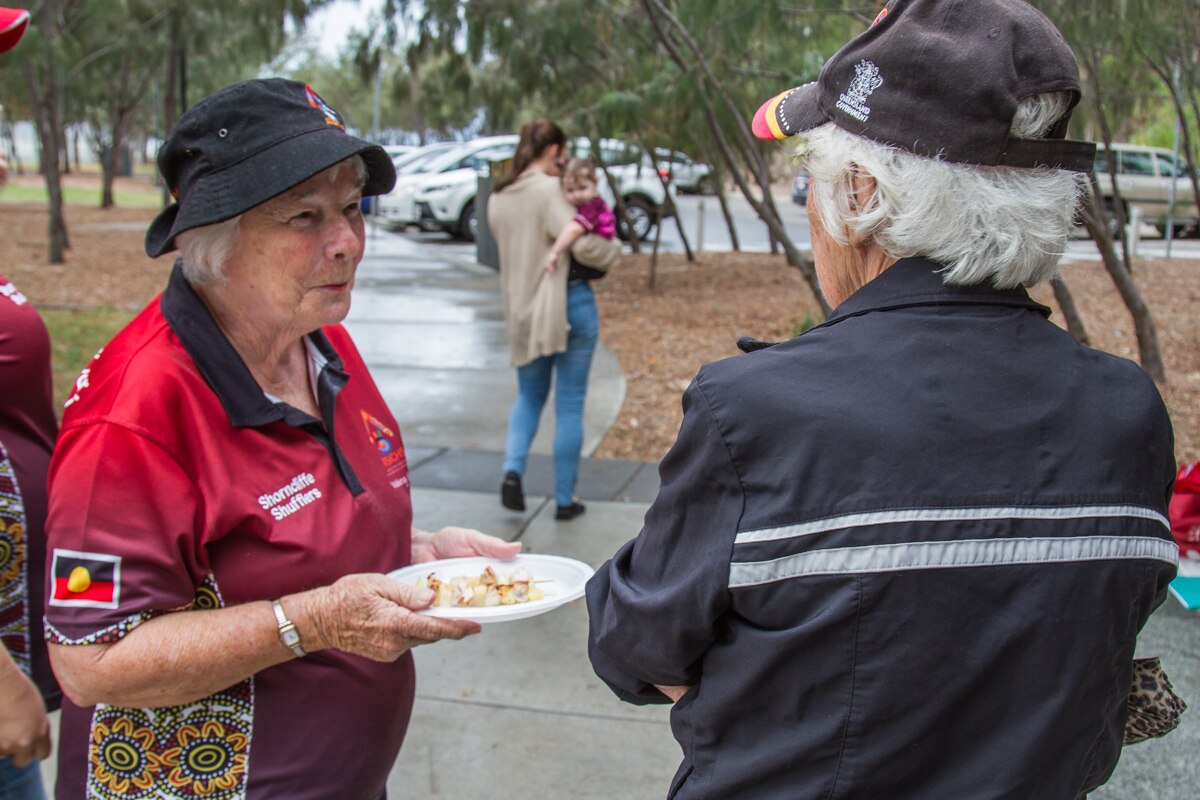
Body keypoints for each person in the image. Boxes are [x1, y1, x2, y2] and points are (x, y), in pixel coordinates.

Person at [586, 1, 1178, 798]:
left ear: (858, 192)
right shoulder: (1127, 414)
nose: (809, 207)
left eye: (812, 180)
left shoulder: (757, 413)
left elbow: (635, 646)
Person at [42, 78, 520, 800]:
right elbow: (90, 660)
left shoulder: (321, 343)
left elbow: (293, 536)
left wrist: (414, 555)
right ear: (213, 240)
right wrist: (316, 620)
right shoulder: (135, 414)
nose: (348, 243)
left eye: (353, 208)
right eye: (305, 217)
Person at [487, 120, 620, 521]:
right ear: (552, 151)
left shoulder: (499, 196)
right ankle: (564, 500)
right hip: (568, 307)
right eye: (562, 155)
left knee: (528, 397)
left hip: (522, 310)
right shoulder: (549, 192)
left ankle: (512, 472)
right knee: (569, 403)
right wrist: (613, 250)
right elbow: (588, 247)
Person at [542, 157, 616, 273]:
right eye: (570, 190)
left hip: (594, 250)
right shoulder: (587, 203)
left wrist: (555, 252)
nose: (577, 195)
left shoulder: (593, 206)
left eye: (582, 188)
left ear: (596, 182)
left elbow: (575, 229)